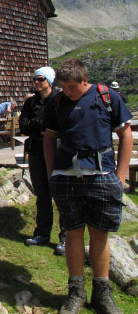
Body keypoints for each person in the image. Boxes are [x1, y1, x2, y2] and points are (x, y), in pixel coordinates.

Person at [44, 59, 132, 314]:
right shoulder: (57, 101)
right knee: (72, 232)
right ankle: (76, 293)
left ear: (85, 81)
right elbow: (48, 138)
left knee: (99, 234)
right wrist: (52, 174)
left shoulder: (107, 96)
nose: (67, 92)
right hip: (66, 176)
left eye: (71, 87)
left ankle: (102, 293)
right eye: (62, 87)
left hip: (102, 174)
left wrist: (121, 175)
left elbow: (125, 134)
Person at [18, 66, 65, 255]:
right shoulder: (30, 103)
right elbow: (23, 126)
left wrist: (37, 126)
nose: (36, 83)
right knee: (42, 195)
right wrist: (42, 127)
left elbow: (60, 126)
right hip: (37, 152)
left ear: (49, 81)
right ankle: (42, 233)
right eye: (35, 80)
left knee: (61, 195)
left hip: (58, 152)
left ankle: (65, 237)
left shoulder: (59, 100)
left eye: (40, 79)